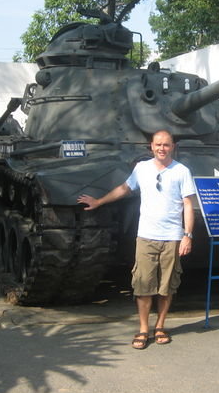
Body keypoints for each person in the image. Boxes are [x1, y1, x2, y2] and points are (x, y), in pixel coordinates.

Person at [77, 130, 196, 350]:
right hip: (146, 236)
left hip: (172, 237)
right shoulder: (142, 168)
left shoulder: (182, 171)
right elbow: (124, 188)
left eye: (166, 145)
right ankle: (143, 329)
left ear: (172, 147)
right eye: (158, 144)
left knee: (167, 286)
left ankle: (160, 326)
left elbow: (188, 204)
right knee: (143, 285)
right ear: (151, 146)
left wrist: (187, 235)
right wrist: (99, 201)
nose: (162, 148)